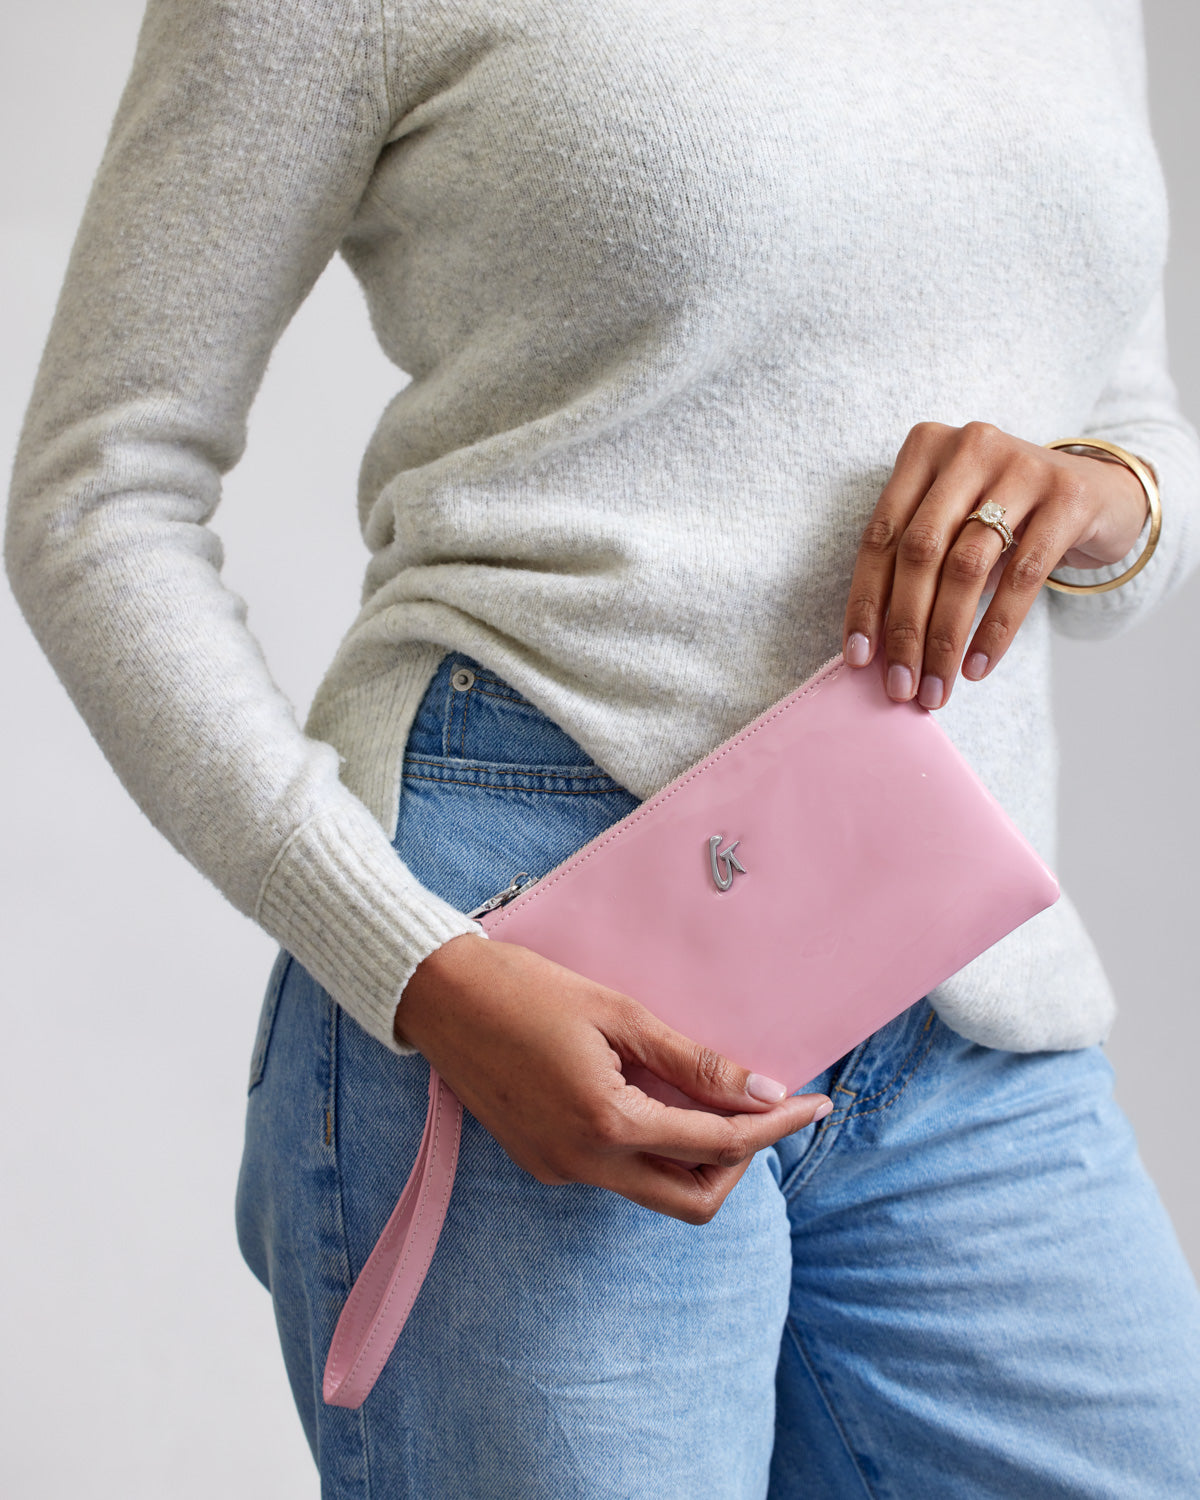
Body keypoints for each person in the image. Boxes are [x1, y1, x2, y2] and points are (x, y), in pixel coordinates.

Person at [7, 0, 1200, 1494]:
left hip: (956, 987)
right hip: (529, 960)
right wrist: (416, 968)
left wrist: (1097, 498)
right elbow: (95, 489)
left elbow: (1136, 425)